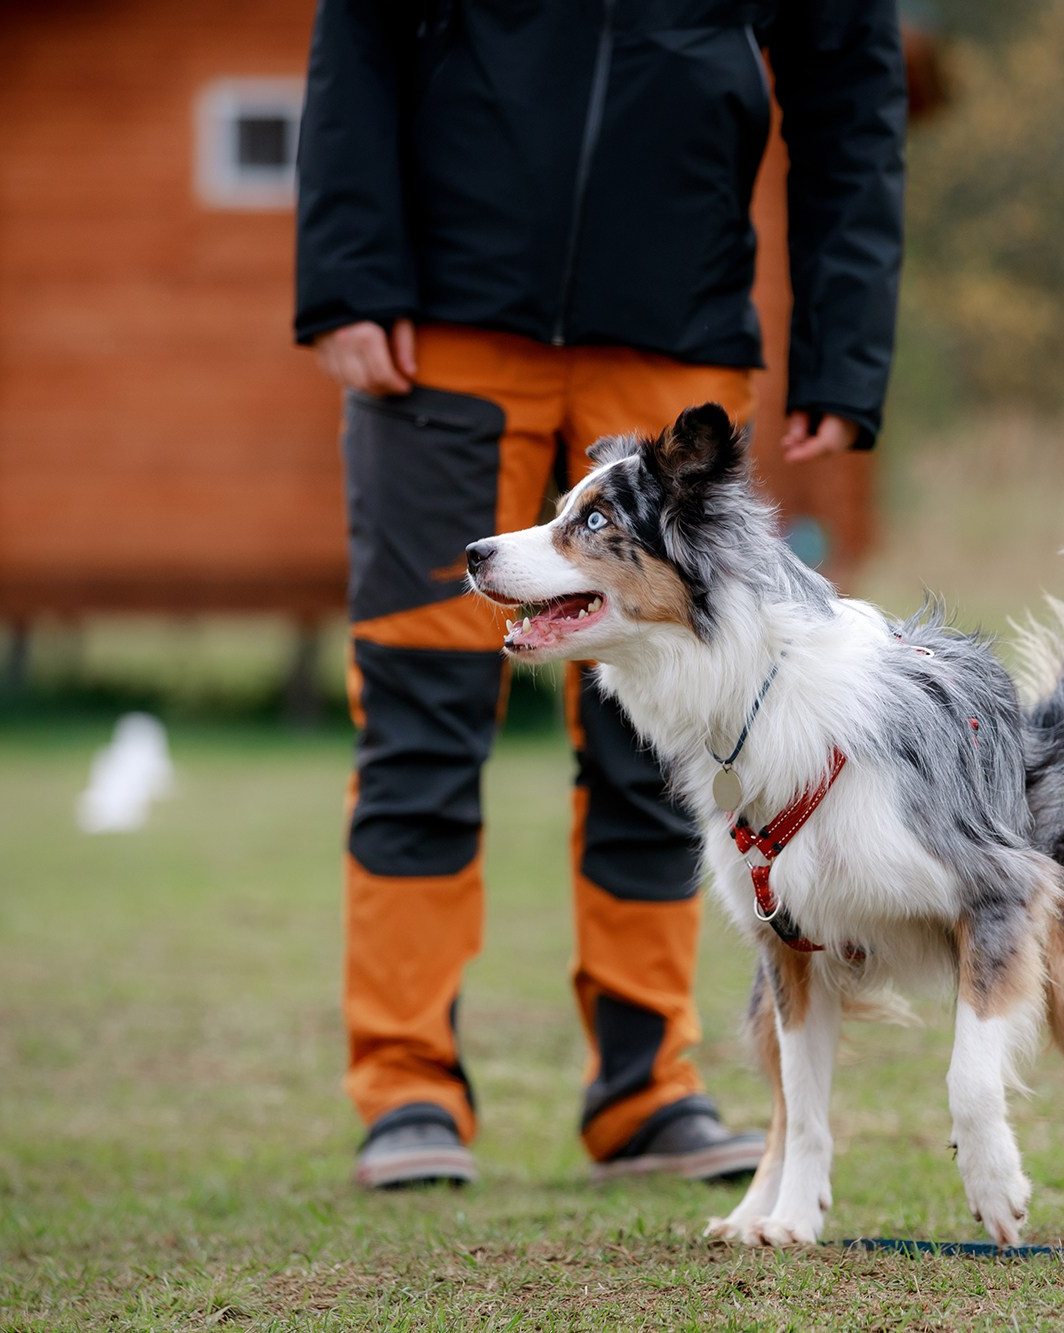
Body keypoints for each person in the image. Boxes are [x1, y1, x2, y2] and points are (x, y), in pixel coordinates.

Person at [294, 0, 905, 1188]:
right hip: (443, 328)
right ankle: (406, 1086)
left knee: (668, 731)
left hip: (671, 327)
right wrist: (348, 272)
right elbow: (359, 29)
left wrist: (844, 342)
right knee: (419, 722)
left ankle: (645, 1089)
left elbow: (850, 88)